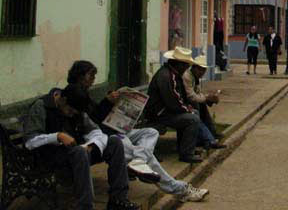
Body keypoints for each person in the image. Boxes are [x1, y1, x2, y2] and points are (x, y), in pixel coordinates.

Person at [66, 61, 209, 202]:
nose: (93, 80)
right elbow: (93, 124)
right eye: (90, 76)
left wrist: (114, 103)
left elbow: (97, 116)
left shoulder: (84, 93)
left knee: (151, 133)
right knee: (148, 159)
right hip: (105, 138)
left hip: (112, 130)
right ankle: (181, 190)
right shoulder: (75, 95)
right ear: (80, 76)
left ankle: (139, 160)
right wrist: (106, 102)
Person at [23, 84, 141, 210]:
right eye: (70, 110)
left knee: (115, 142)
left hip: (77, 153)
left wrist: (91, 145)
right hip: (50, 156)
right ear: (62, 100)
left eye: (75, 112)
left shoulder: (77, 109)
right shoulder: (41, 107)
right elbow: (30, 141)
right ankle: (85, 206)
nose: (72, 114)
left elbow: (96, 131)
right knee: (79, 152)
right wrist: (57, 136)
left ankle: (118, 199)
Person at [145, 47, 202, 164]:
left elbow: (179, 98)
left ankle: (185, 148)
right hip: (160, 114)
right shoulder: (166, 76)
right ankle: (186, 154)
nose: (187, 68)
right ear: (179, 65)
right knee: (192, 119)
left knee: (193, 113)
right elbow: (172, 101)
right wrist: (186, 109)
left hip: (166, 111)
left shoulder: (172, 73)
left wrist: (187, 107)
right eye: (186, 65)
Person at [183, 55, 227, 151]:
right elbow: (191, 96)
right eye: (200, 70)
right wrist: (206, 98)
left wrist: (208, 99)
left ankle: (212, 133)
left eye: (203, 70)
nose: (202, 72)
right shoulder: (187, 77)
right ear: (194, 68)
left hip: (189, 102)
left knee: (202, 107)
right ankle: (210, 139)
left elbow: (198, 94)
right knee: (195, 113)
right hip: (183, 104)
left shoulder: (195, 78)